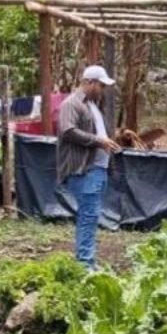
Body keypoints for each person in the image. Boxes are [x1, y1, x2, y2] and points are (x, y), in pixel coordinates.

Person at [55, 65, 121, 268]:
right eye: (101, 85)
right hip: (83, 169)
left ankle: (88, 261)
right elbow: (67, 130)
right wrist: (98, 141)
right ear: (89, 82)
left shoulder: (93, 105)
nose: (103, 90)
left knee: (91, 216)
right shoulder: (72, 104)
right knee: (88, 215)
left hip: (97, 168)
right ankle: (85, 264)